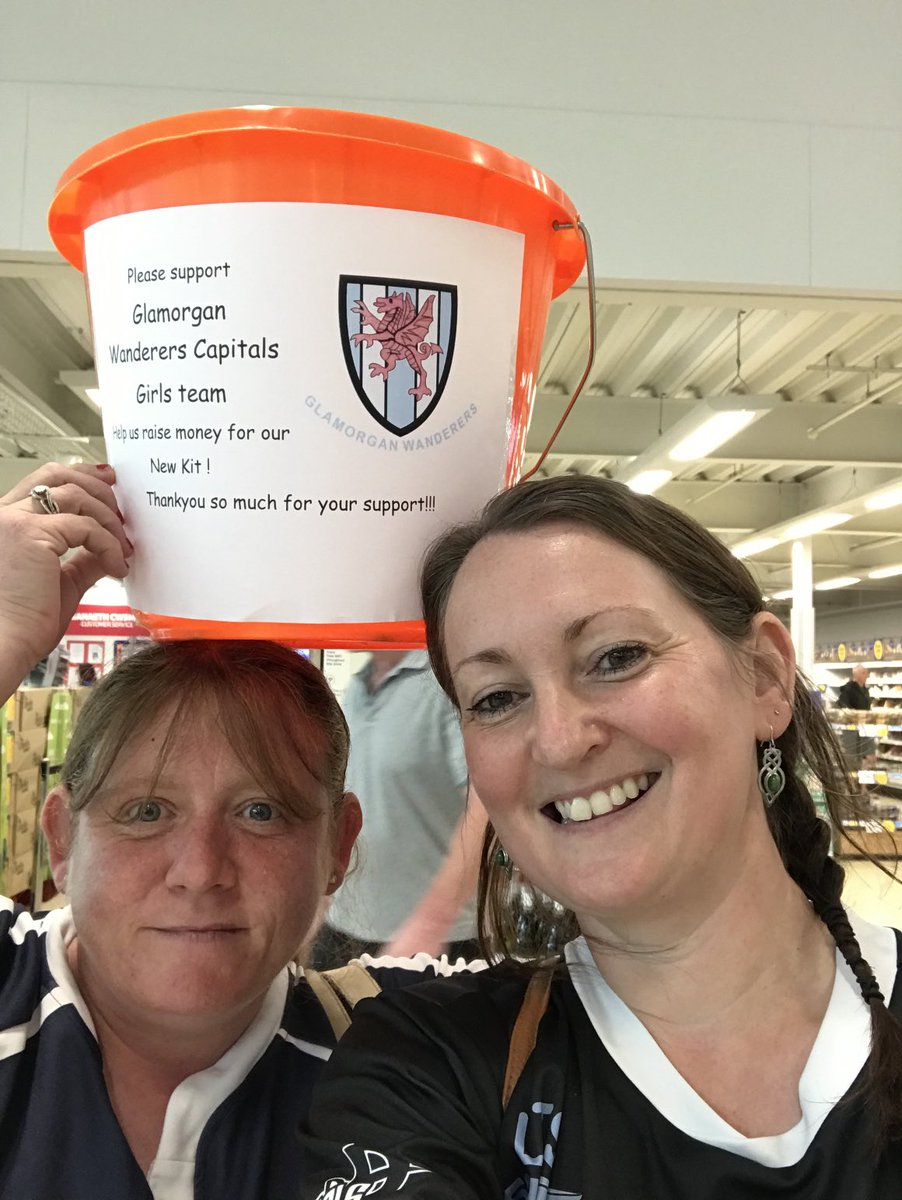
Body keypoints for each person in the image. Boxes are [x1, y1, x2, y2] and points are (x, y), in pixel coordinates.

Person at [302, 475, 902, 1198]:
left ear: (767, 679)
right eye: (497, 699)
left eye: (616, 657)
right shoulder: (424, 1068)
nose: (557, 741)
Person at [0, 463, 473, 1199]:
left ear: (337, 850)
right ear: (62, 841)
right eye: (146, 812)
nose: (200, 870)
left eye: (262, 812)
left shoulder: (408, 1058)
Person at [315, 649, 483, 965]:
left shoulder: (442, 683)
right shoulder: (357, 687)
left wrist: (432, 921)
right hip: (343, 930)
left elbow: (485, 808)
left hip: (430, 941)